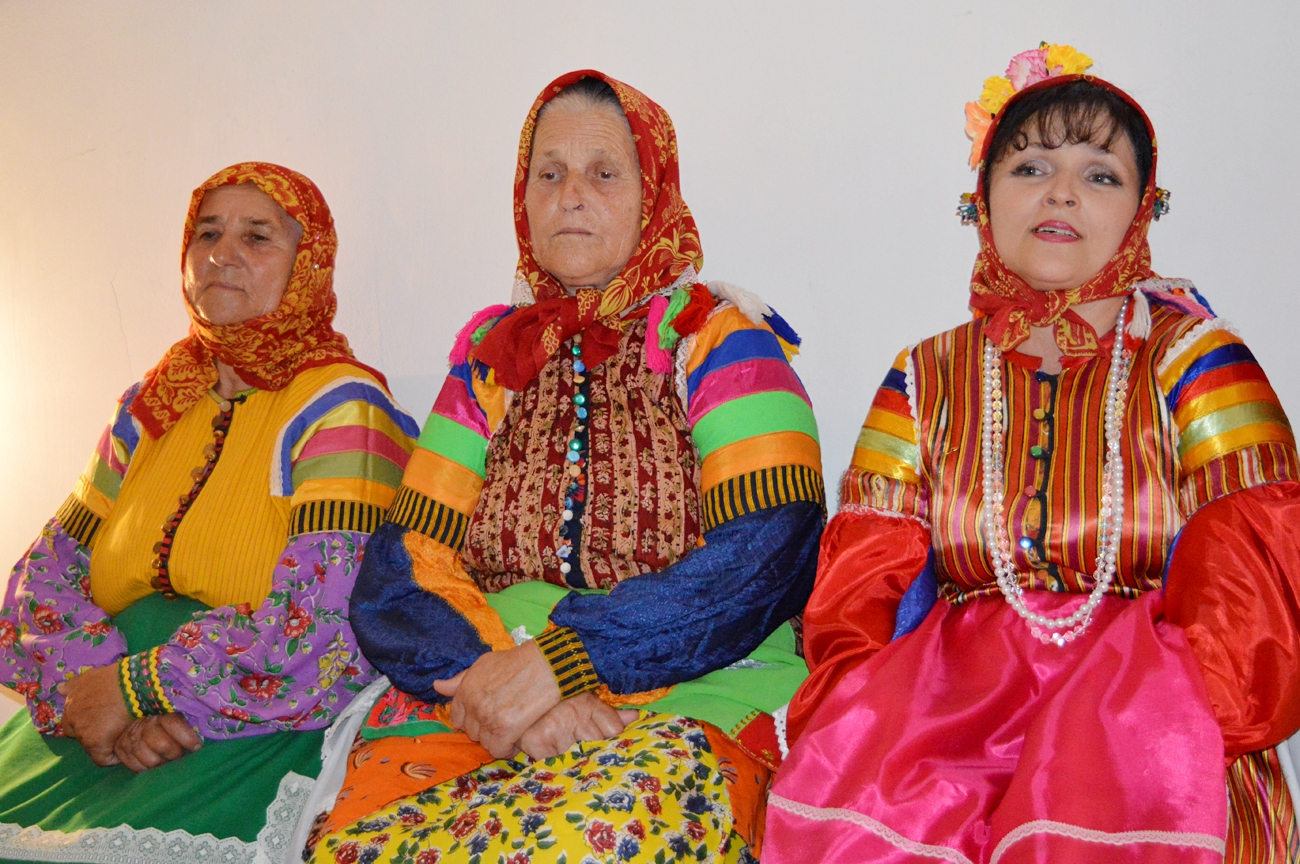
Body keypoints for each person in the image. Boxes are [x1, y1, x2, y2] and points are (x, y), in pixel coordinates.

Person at [765, 45, 1300, 863]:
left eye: (1099, 174)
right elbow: (858, 597)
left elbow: (1259, 579)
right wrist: (866, 728)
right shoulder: (924, 374)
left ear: (1142, 212)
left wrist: (1170, 725)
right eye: (1031, 167)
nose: (1060, 192)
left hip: (1158, 737)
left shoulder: (1196, 357)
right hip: (941, 739)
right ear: (981, 201)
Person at [305, 71, 824, 864]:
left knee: (610, 831)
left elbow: (769, 552)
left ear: (653, 195)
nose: (571, 195)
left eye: (603, 173)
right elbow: (403, 564)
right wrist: (496, 682)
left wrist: (567, 660)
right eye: (549, 174)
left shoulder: (720, 340)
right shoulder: (492, 359)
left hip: (688, 675)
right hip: (483, 683)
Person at [0, 163, 419, 861]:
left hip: (246, 726)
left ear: (307, 266)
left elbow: (324, 630)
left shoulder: (341, 408)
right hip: (90, 720)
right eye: (207, 233)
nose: (223, 253)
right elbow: (40, 584)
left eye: (258, 237)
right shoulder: (150, 405)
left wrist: (141, 689)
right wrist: (97, 698)